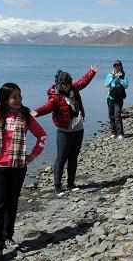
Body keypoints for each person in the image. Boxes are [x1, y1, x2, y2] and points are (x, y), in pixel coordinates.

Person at [0, 83, 47, 260]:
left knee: (11, 204)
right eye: (14, 97)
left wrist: (33, 155)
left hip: (18, 168)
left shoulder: (25, 116)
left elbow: (42, 136)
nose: (18, 99)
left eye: (20, 96)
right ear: (5, 98)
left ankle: (7, 237)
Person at [32, 65, 99, 196]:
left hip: (78, 130)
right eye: (65, 84)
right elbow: (48, 107)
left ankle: (71, 183)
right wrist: (37, 112)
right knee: (61, 159)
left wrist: (92, 72)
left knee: (74, 158)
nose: (68, 86)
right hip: (64, 132)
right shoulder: (55, 96)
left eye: (69, 83)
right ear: (59, 84)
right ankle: (57, 187)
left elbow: (83, 81)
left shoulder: (74, 88)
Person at [105, 60, 129, 139]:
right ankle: (113, 132)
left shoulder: (123, 75)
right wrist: (112, 78)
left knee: (117, 115)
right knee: (111, 115)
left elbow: (126, 86)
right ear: (113, 66)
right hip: (110, 98)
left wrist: (119, 79)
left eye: (118, 65)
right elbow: (106, 85)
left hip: (119, 98)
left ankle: (120, 133)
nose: (117, 67)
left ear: (121, 66)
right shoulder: (109, 75)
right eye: (115, 65)